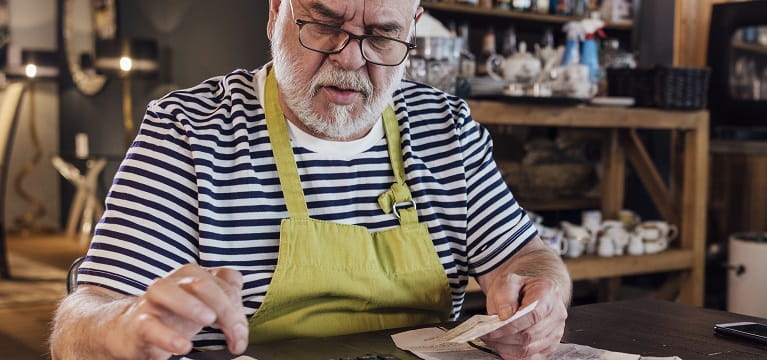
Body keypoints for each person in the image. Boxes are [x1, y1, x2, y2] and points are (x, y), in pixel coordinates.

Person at [49, 1, 570, 359]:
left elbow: (528, 258)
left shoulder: (446, 128)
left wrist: (542, 297)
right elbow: (79, 324)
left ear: (413, 26)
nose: (348, 57)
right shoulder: (189, 131)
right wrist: (125, 327)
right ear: (276, 11)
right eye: (323, 24)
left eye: (383, 35)